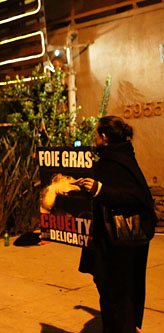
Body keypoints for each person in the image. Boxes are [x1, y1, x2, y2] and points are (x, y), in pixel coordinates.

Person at [79, 116, 157, 332]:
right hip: (108, 243)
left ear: (104, 137)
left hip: (120, 246)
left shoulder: (119, 162)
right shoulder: (112, 160)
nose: (94, 138)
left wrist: (101, 190)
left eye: (96, 134)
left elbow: (137, 198)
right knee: (109, 294)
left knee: (119, 296)